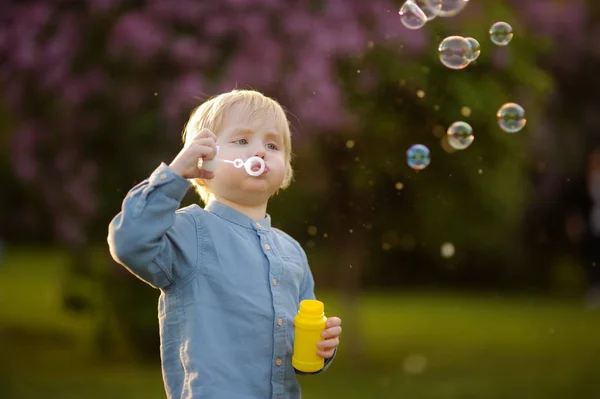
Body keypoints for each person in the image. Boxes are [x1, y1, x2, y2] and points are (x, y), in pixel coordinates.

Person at [108, 89, 342, 398]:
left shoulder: (292, 252)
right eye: (242, 141)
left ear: (286, 170)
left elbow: (297, 348)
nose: (259, 152)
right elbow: (129, 242)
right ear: (201, 163)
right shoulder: (190, 232)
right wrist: (175, 174)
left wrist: (319, 349)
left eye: (272, 145)